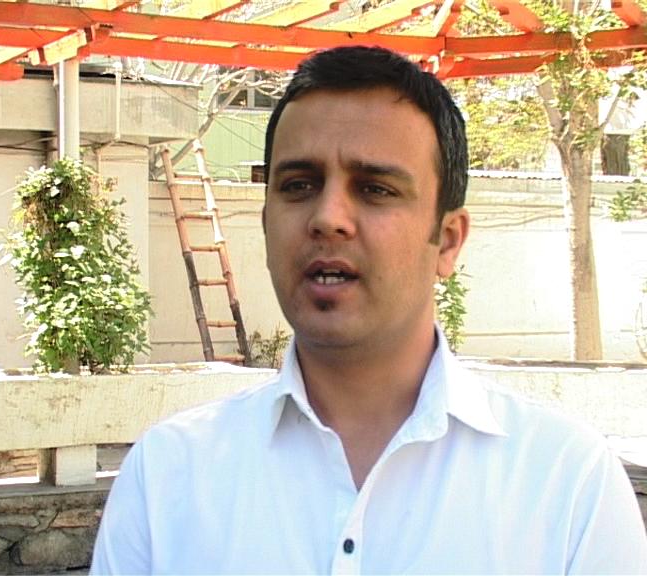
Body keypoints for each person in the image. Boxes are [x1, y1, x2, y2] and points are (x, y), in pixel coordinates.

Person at [91, 46, 647, 574]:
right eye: (299, 185)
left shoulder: (566, 484)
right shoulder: (167, 477)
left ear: (448, 240)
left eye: (376, 189)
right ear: (264, 224)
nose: (328, 217)